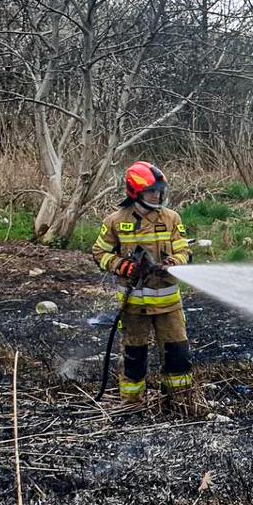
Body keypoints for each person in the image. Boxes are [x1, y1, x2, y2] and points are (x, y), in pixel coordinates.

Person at [91, 162, 194, 411]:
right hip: (133, 306)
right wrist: (123, 266)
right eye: (151, 192)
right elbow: (99, 253)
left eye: (159, 191)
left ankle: (179, 402)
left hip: (169, 305)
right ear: (135, 192)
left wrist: (173, 262)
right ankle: (132, 405)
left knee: (177, 355)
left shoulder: (171, 218)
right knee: (133, 357)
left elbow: (184, 250)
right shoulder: (116, 221)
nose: (157, 196)